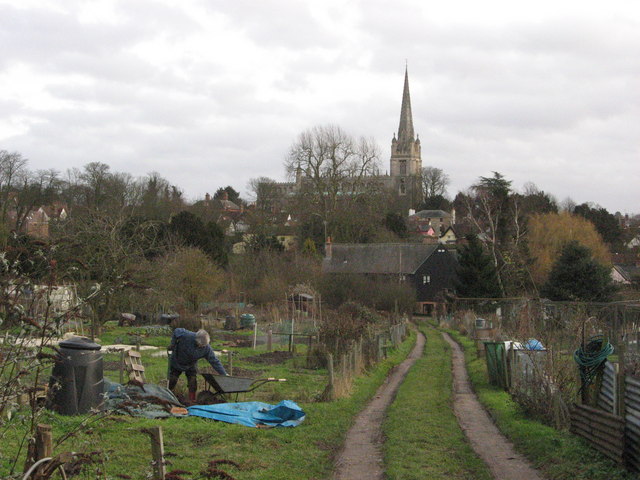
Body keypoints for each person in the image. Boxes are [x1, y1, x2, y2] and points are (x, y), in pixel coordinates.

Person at [168, 328, 227, 404]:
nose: (201, 347)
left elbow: (215, 361)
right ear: (196, 340)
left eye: (203, 346)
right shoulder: (187, 335)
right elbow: (176, 331)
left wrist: (224, 374)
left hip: (191, 365)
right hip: (177, 361)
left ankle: (191, 400)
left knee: (193, 381)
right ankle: (167, 395)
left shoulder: (206, 348)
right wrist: (173, 344)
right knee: (172, 379)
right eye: (199, 345)